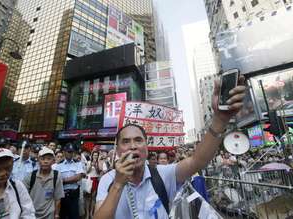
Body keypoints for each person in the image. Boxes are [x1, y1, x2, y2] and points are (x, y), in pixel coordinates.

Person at [93, 76, 246, 219]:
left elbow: (197, 161)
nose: (133, 146)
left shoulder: (162, 174)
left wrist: (220, 119)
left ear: (147, 147)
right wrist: (118, 184)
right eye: (126, 142)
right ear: (118, 149)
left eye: (138, 140)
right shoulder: (108, 180)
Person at [23, 147, 64, 219]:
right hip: (32, 213)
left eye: (49, 159)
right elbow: (23, 197)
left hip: (49, 214)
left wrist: (57, 214)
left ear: (53, 161)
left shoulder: (57, 176)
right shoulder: (31, 176)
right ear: (38, 160)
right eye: (43, 159)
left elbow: (58, 198)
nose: (45, 161)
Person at [54, 143, 85, 219]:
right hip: (62, 195)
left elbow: (78, 177)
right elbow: (57, 179)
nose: (70, 154)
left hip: (73, 195)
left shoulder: (78, 163)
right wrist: (71, 179)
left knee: (74, 216)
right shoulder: (59, 165)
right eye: (68, 151)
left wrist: (63, 180)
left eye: (72, 152)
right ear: (64, 152)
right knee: (62, 216)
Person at [85, 151, 101, 219]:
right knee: (88, 197)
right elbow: (87, 171)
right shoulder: (88, 162)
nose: (95, 156)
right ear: (92, 156)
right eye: (94, 155)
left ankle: (91, 213)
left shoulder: (99, 163)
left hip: (95, 179)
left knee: (93, 198)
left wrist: (96, 166)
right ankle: (87, 214)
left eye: (96, 155)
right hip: (89, 179)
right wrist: (91, 165)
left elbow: (98, 172)